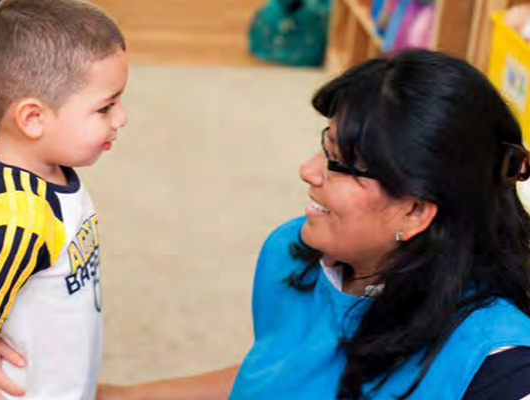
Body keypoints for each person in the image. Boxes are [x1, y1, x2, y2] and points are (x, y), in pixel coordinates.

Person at [98, 49, 530, 400]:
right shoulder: (290, 255)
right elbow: (282, 377)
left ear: (415, 211)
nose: (308, 171)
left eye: (340, 165)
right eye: (324, 146)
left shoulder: (498, 366)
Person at [0, 0, 128, 399]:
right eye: (105, 106)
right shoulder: (22, 219)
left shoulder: (38, 169)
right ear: (33, 118)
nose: (121, 117)